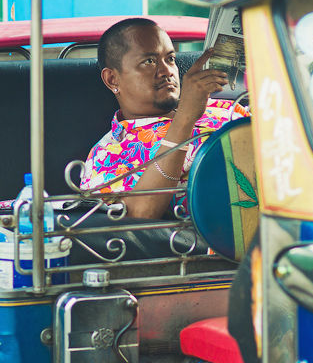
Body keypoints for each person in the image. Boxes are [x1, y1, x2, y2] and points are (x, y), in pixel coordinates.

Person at [79, 18, 249, 219]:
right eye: (149, 61)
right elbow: (138, 216)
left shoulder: (218, 105)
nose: (167, 71)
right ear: (112, 79)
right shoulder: (107, 154)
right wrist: (185, 117)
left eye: (170, 59)